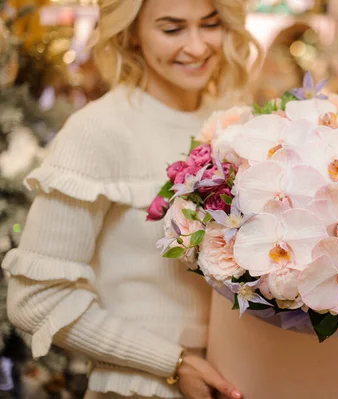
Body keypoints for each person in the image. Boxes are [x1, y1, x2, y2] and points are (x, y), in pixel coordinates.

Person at [2, 0, 259, 398]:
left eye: (209, 24)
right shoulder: (96, 131)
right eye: (172, 29)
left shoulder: (238, 124)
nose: (197, 46)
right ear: (131, 35)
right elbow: (36, 300)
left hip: (239, 383)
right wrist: (173, 362)